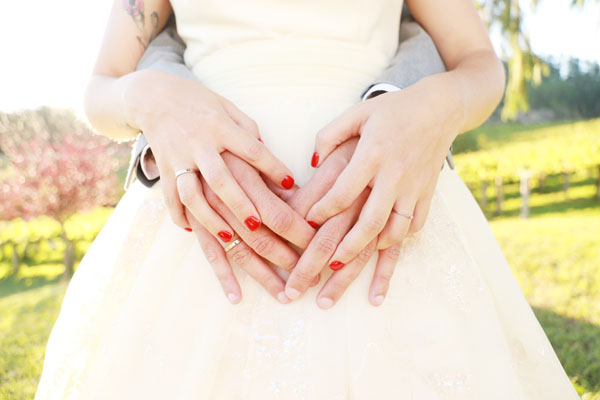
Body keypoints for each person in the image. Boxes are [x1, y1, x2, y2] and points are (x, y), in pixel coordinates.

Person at [35, 0, 579, 398]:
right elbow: (101, 87)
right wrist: (149, 95)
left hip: (382, 195)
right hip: (200, 218)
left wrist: (435, 106)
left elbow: (479, 64)